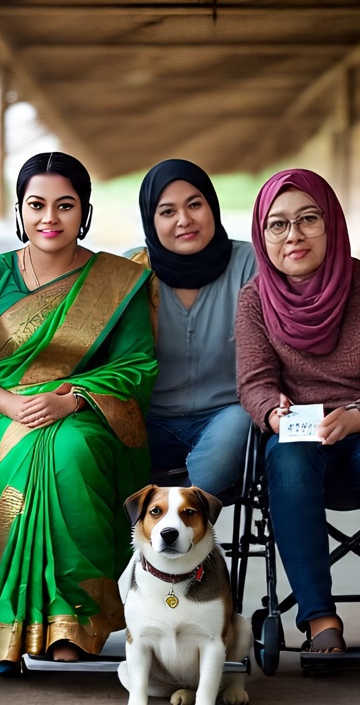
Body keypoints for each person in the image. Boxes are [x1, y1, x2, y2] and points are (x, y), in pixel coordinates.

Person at [0, 152, 157, 670]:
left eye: (64, 205)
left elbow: (137, 365)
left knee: (72, 456)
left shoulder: (115, 280)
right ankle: (7, 628)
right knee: (15, 472)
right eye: (36, 204)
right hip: (6, 410)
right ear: (20, 211)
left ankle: (75, 623)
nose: (50, 218)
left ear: (84, 211)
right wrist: (17, 407)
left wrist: (67, 400)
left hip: (84, 409)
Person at [236, 168, 360, 655]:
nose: (294, 235)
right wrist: (273, 413)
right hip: (304, 432)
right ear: (262, 236)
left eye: (308, 219)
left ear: (332, 222)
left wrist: (359, 413)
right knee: (284, 456)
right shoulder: (254, 302)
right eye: (278, 225)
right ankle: (320, 620)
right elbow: (256, 383)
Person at [128, 158, 257, 498]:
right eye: (167, 212)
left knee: (240, 427)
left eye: (195, 204)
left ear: (212, 206)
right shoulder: (131, 271)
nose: (185, 220)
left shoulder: (251, 264)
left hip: (226, 418)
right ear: (150, 220)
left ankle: (177, 525)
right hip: (145, 423)